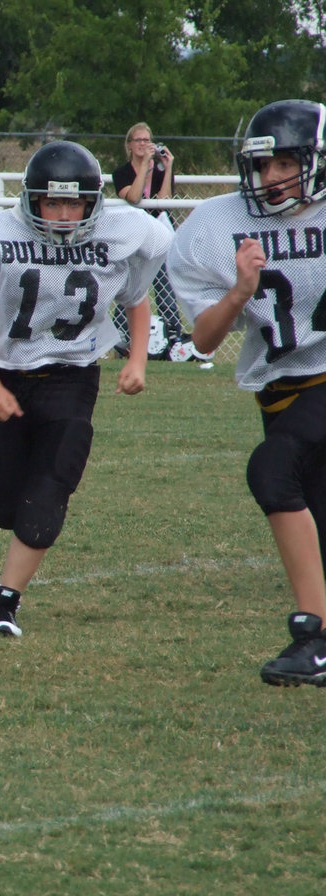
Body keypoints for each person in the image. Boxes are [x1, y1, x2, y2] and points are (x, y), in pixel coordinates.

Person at [0, 140, 172, 636]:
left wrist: (137, 359)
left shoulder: (123, 230)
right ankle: (16, 553)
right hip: (8, 374)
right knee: (5, 506)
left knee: (47, 496)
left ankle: (3, 602)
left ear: (92, 201)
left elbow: (136, 297)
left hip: (74, 376)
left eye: (74, 202)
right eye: (53, 202)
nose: (64, 213)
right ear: (32, 199)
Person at [168, 99, 326, 686]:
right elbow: (205, 341)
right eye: (262, 167)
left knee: (271, 472)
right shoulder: (216, 225)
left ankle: (312, 636)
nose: (271, 179)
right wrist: (239, 290)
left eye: (285, 162)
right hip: (281, 394)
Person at [112, 122, 186, 347]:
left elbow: (164, 203)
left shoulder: (160, 170)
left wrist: (168, 167)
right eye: (139, 140)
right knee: (131, 285)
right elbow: (133, 197)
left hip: (159, 233)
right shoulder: (122, 173)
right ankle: (120, 336)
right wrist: (144, 166)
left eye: (148, 140)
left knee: (164, 282)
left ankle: (172, 334)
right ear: (130, 145)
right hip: (134, 235)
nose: (144, 144)